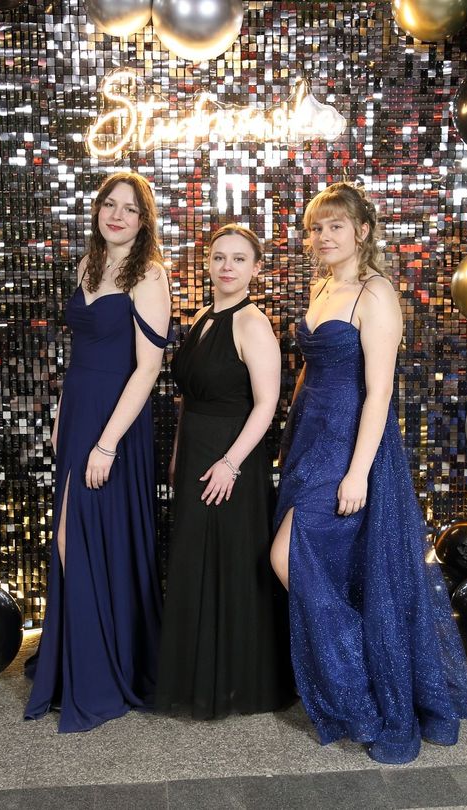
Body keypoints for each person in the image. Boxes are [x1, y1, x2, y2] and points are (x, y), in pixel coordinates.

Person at [270, 182, 467, 764]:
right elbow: (311, 372)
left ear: (362, 231)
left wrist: (358, 471)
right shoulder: (322, 286)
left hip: (351, 442)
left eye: (335, 226)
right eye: (316, 228)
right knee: (327, 566)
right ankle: (357, 675)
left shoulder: (376, 293)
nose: (323, 237)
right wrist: (289, 438)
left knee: (289, 556)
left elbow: (380, 392)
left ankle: (365, 684)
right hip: (310, 439)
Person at [25, 171, 172, 733]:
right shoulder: (87, 265)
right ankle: (77, 661)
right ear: (97, 210)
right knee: (71, 535)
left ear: (143, 220)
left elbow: (148, 368)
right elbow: (80, 353)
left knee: (81, 535)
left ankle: (103, 669)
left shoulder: (150, 274)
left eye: (129, 209)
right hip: (79, 411)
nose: (116, 215)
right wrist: (62, 417)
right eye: (109, 204)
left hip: (117, 418)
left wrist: (107, 442)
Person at [155, 224, 294, 718]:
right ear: (208, 263)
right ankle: (199, 676)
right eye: (219, 257)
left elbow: (267, 404)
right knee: (196, 559)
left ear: (256, 268)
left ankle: (237, 682)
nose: (227, 266)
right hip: (196, 451)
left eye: (238, 258)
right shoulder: (202, 316)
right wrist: (178, 452)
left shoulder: (253, 323)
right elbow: (189, 399)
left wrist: (230, 464)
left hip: (232, 457)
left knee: (230, 561)